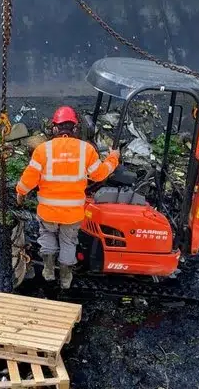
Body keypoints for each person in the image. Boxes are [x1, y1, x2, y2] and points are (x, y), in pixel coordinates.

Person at [15, 106, 120, 289]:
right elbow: (100, 175)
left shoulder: (43, 150)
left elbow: (28, 179)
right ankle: (65, 278)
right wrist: (113, 158)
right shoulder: (86, 150)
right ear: (75, 128)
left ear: (54, 128)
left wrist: (20, 193)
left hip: (48, 212)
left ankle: (48, 271)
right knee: (68, 242)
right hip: (73, 214)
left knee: (47, 235)